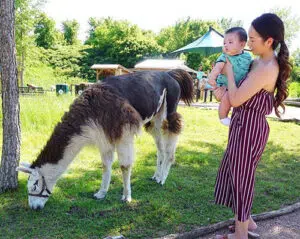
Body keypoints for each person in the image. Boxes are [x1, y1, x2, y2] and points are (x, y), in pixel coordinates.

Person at [213, 13, 291, 239]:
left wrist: (227, 73)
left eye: (253, 38)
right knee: (235, 173)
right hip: (242, 124)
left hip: (250, 129)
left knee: (242, 179)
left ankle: (241, 235)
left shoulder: (267, 67)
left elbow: (237, 99)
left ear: (269, 41)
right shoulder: (256, 61)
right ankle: (249, 223)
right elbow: (236, 92)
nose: (248, 43)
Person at [208, 27, 252, 126]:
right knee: (226, 98)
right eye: (224, 43)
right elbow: (217, 68)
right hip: (224, 86)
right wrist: (212, 78)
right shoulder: (224, 56)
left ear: (242, 44)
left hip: (238, 87)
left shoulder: (247, 57)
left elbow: (251, 68)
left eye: (230, 42)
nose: (226, 45)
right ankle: (223, 117)